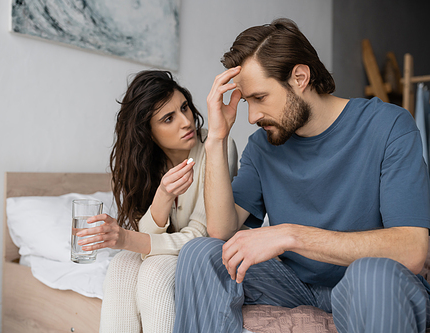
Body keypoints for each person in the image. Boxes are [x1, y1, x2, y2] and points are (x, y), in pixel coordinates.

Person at [173, 18, 430, 333]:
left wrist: (290, 235)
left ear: (299, 77)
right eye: (247, 101)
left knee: (370, 275)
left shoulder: (388, 125)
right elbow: (220, 230)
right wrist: (216, 137)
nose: (252, 117)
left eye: (260, 98)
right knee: (201, 254)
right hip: (296, 286)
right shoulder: (262, 146)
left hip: (368, 285)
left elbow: (413, 250)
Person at [75, 70, 238, 333]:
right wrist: (162, 196)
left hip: (207, 255)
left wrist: (126, 239)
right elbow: (144, 243)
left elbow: (203, 235)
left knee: (153, 273)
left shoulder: (217, 146)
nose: (186, 122)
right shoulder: (145, 164)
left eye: (184, 107)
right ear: (148, 133)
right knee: (121, 265)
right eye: (168, 119)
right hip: (170, 250)